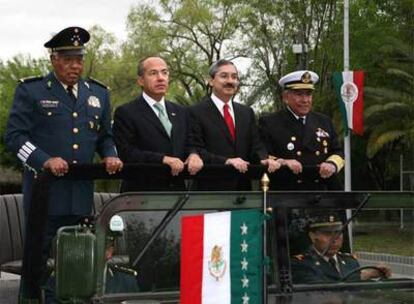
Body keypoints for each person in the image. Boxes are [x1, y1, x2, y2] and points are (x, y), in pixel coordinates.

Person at [4, 26, 123, 302]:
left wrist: (111, 154)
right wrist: (44, 160)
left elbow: (105, 137)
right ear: (53, 59)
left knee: (78, 263)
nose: (75, 66)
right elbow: (14, 137)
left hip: (80, 197)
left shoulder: (99, 94)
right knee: (39, 265)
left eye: (79, 59)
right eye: (68, 59)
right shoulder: (31, 90)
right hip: (45, 197)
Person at [113, 56, 203, 191]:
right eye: (153, 73)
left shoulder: (181, 112)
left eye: (164, 72)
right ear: (141, 80)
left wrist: (194, 154)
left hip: (177, 194)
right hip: (141, 194)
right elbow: (126, 153)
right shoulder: (126, 112)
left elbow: (190, 143)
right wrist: (163, 159)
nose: (160, 78)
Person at [188, 59, 280, 190]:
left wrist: (263, 159)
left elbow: (256, 145)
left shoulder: (246, 113)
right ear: (211, 81)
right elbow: (196, 149)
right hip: (209, 189)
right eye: (224, 76)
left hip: (242, 189)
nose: (230, 81)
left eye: (234, 77)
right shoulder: (195, 112)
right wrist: (227, 161)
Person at [259, 70, 344, 190]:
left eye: (308, 94)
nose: (305, 100)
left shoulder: (324, 121)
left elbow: (338, 152)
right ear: (285, 97)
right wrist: (283, 162)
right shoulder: (270, 123)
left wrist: (332, 164)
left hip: (322, 192)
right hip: (287, 194)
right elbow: (261, 155)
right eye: (299, 94)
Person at [291, 215, 391, 283]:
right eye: (327, 234)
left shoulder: (350, 261)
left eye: (338, 234)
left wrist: (380, 275)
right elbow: (323, 288)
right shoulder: (300, 264)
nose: (334, 240)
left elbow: (359, 291)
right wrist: (365, 275)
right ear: (312, 236)